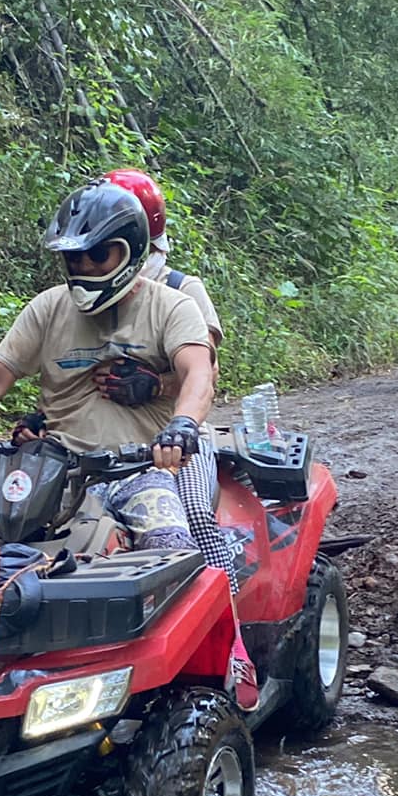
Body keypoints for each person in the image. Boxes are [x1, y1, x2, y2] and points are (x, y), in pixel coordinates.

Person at [0, 182, 213, 555]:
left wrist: (182, 426)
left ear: (130, 251)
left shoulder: (172, 306)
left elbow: (198, 372)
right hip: (53, 472)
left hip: (137, 471)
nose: (84, 267)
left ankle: (225, 611)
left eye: (98, 254)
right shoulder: (47, 307)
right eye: (74, 258)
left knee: (173, 551)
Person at [92, 168, 238, 591]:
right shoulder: (89, 290)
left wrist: (155, 386)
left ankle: (228, 636)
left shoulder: (181, 291)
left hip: (172, 442)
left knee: (191, 515)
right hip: (98, 442)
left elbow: (205, 373)